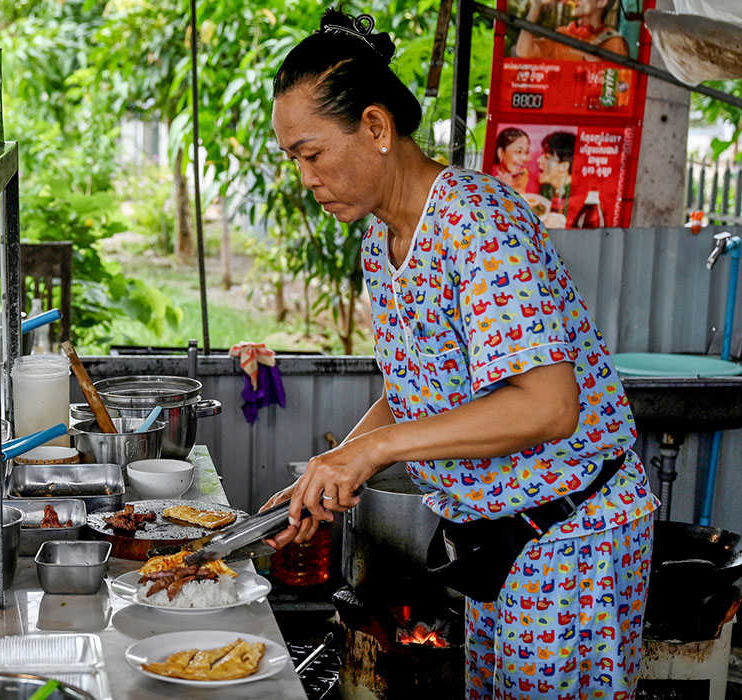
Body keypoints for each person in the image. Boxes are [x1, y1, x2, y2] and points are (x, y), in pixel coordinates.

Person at [262, 9, 658, 698]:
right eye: (295, 159)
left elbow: (549, 405)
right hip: (495, 543)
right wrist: (332, 468)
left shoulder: (477, 222)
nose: (306, 178)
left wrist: (376, 454)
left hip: (569, 539)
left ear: (378, 129)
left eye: (311, 153)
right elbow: (415, 389)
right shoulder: (381, 245)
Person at [516, 0, 628, 61]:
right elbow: (524, 52)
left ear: (601, 2)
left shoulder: (614, 42)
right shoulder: (562, 34)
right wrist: (536, 5)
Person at [537, 130, 575, 217]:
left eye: (547, 157)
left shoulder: (577, 197)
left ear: (564, 166)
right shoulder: (546, 188)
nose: (538, 160)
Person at [490, 127, 531, 195]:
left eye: (526, 152)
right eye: (519, 151)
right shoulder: (488, 177)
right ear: (500, 153)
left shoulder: (527, 178)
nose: (525, 158)